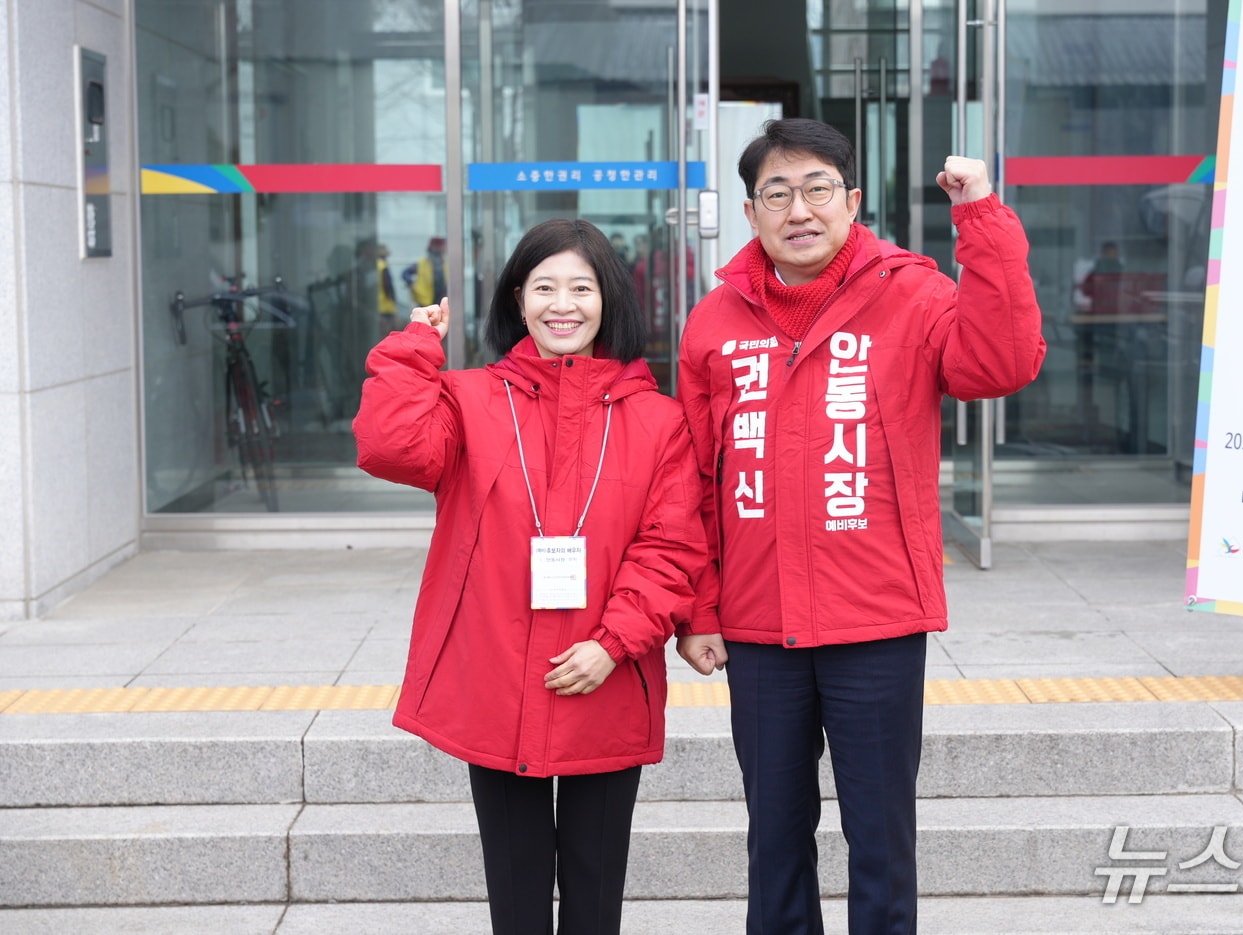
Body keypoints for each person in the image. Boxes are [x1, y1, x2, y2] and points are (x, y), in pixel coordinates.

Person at [675, 118, 1045, 935]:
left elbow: (1002, 362)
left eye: (816, 189)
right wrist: (697, 608)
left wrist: (980, 218)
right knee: (774, 838)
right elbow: (695, 479)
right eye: (777, 193)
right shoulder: (714, 323)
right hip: (757, 622)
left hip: (876, 617)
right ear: (750, 212)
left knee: (880, 835)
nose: (797, 209)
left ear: (852, 201)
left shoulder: (911, 295)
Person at [353, 218, 707, 935]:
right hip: (497, 686)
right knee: (513, 904)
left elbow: (670, 548)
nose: (562, 304)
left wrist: (612, 643)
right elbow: (390, 448)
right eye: (544, 286)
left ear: (609, 299)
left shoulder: (658, 419)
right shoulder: (468, 398)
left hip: (607, 680)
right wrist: (413, 348)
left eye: (581, 286)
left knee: (594, 900)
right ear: (519, 300)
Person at [409, 235, 448, 310]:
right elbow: (405, 274)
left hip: (439, 301)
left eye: (439, 253)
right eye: (435, 253)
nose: (437, 256)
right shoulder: (421, 264)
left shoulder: (445, 266)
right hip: (425, 301)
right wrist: (412, 284)